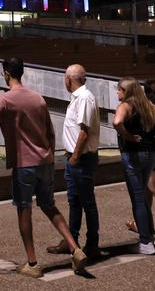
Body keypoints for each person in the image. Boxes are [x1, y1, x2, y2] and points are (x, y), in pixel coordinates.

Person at [0, 57, 87, 277]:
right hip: (45, 162)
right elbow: (50, 131)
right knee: (49, 206)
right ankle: (75, 249)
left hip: (24, 165)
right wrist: (48, 156)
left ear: (6, 73)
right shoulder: (37, 98)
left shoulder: (4, 101)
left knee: (24, 210)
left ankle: (32, 263)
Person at [113, 77, 155, 255]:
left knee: (138, 198)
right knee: (142, 196)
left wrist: (128, 136)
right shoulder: (147, 105)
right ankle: (149, 236)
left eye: (119, 90)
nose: (117, 93)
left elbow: (117, 122)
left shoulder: (126, 106)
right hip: (151, 154)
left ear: (126, 92)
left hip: (134, 154)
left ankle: (146, 242)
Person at [48, 64, 101, 257]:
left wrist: (75, 157)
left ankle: (92, 244)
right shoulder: (78, 97)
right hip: (75, 158)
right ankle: (72, 240)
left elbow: (84, 132)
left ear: (70, 79)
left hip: (81, 159)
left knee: (87, 202)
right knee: (75, 201)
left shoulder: (85, 98)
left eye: (65, 77)